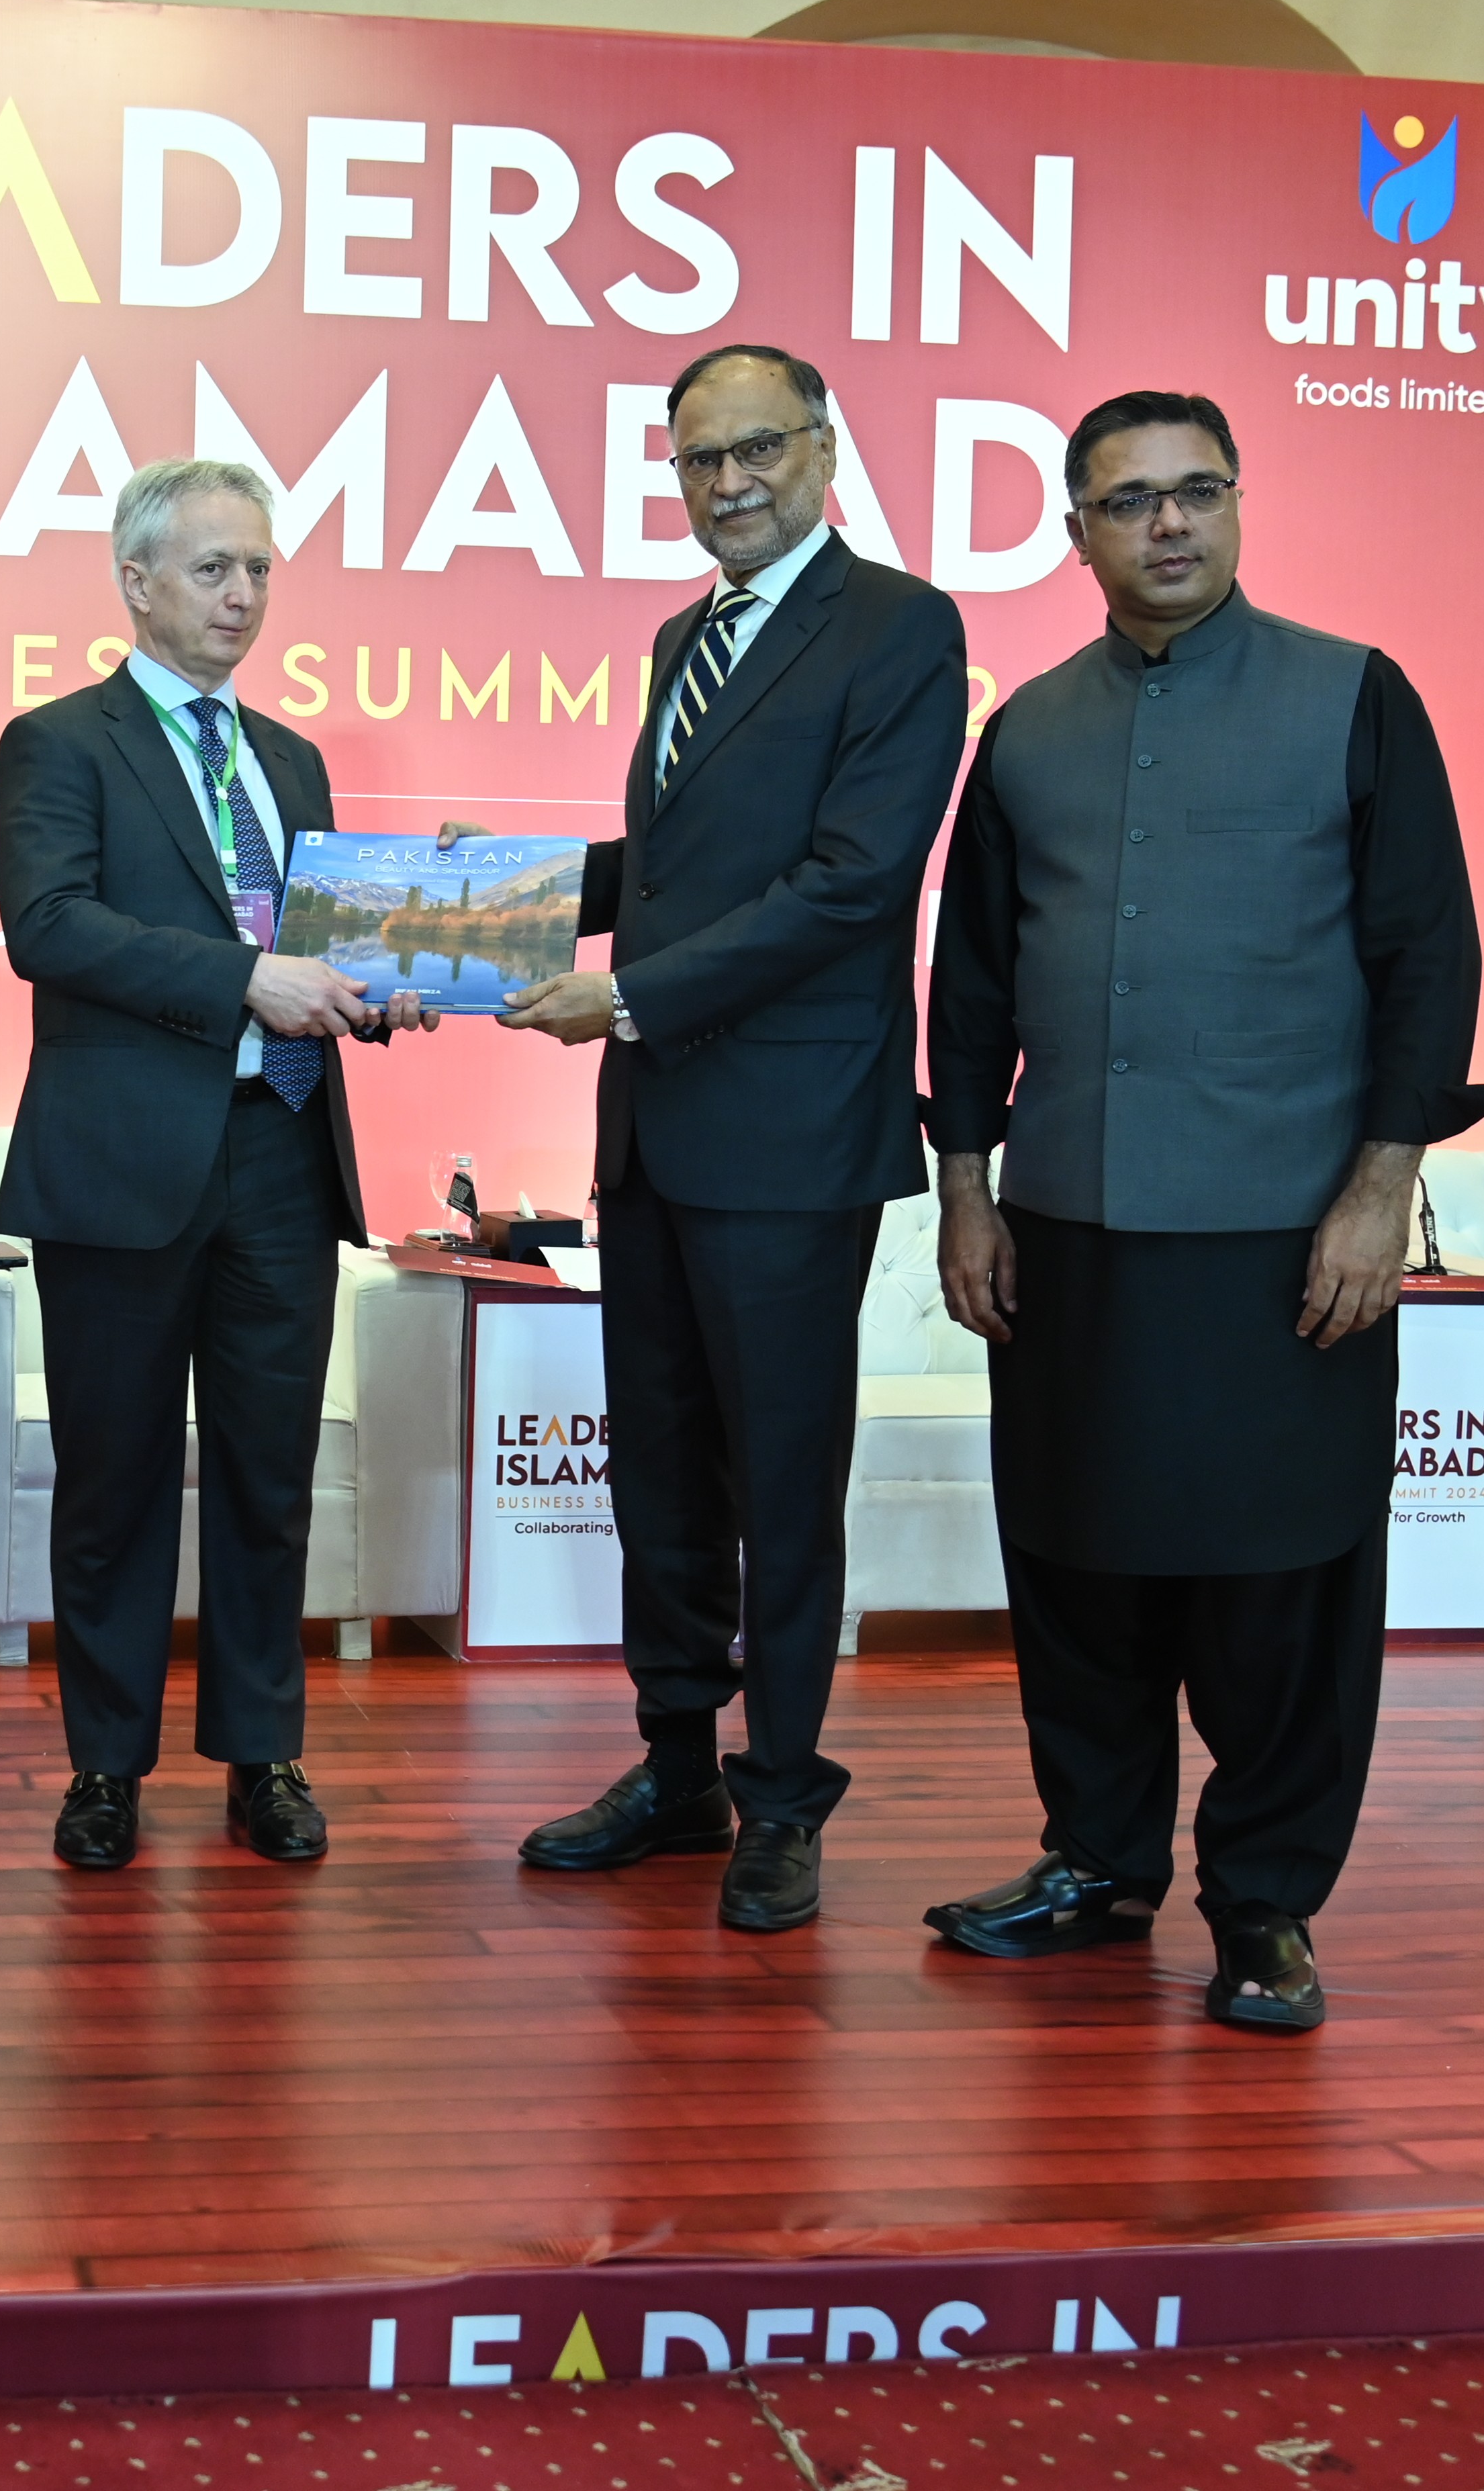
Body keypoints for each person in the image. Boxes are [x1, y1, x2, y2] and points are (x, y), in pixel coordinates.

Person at [922, 390, 1484, 2033]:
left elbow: (1427, 962)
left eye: (1197, 493)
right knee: (1078, 1566)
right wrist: (969, 1187)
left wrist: (1383, 1188)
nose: (1167, 523)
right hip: (1072, 1221)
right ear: (1076, 527)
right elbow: (967, 988)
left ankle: (1264, 1905)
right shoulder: (1023, 727)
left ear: (1237, 507)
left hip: (1285, 1233)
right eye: (1129, 500)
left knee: (1279, 1591)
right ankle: (1096, 1865)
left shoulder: (1356, 695)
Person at [489, 344, 967, 1936]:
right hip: (659, 1133)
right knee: (667, 1471)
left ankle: (783, 1794)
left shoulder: (903, 626)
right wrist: (478, 900)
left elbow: (848, 882)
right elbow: (689, 858)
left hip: (789, 1133)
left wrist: (621, 999)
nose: (729, 482)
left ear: (824, 447)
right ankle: (677, 1764)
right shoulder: (681, 634)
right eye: (699, 460)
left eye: (757, 448)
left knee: (782, 1476)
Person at [0, 456, 428, 1872]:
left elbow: (324, 952)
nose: (242, 593)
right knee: (113, 1481)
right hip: (123, 1164)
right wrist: (252, 976)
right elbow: (50, 927)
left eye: (258, 568)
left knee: (268, 1474)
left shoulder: (289, 756)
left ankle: (265, 1752)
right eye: (211, 568)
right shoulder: (59, 741)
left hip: (283, 1156)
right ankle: (105, 1766)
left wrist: (391, 980)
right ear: (136, 580)